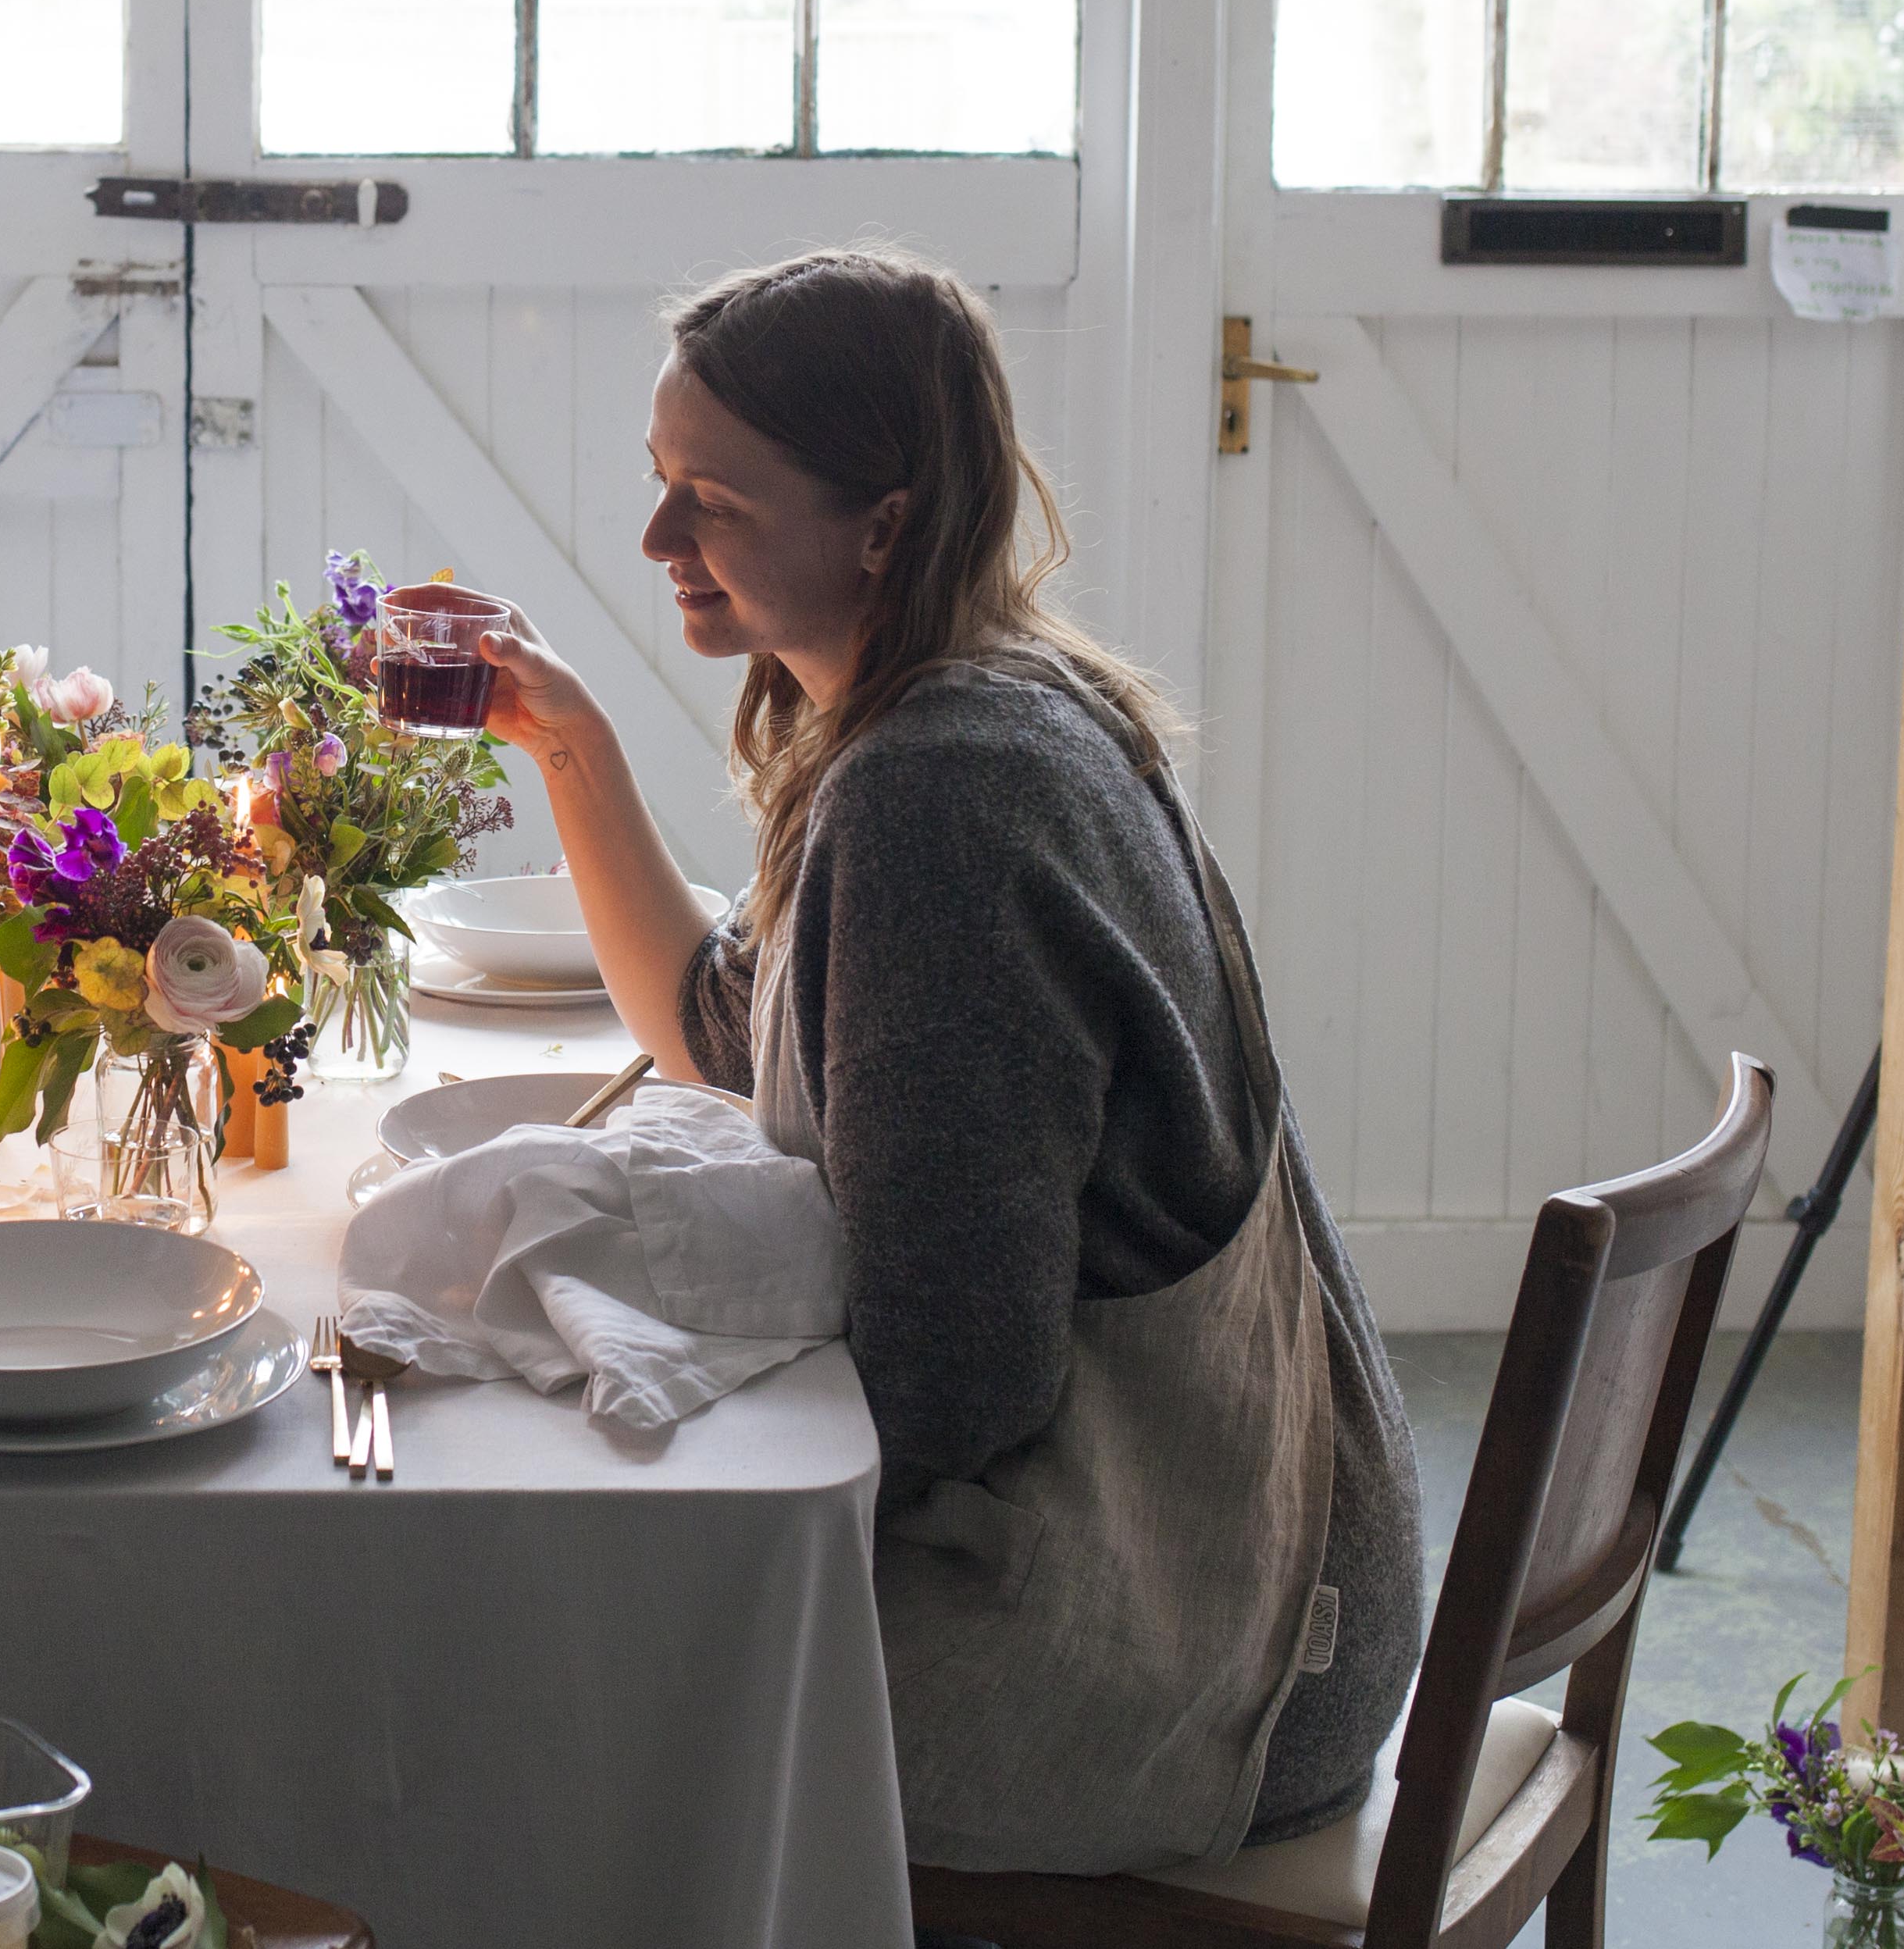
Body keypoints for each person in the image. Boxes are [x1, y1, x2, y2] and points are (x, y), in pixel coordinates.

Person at [472, 246, 1421, 1877]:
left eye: (713, 499)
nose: (655, 541)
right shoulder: (992, 703)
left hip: (1200, 1655)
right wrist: (570, 744)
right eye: (658, 483)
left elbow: (954, 1385)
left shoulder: (941, 802)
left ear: (885, 522)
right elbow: (720, 1034)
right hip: (1276, 1565)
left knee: (525, 1699)